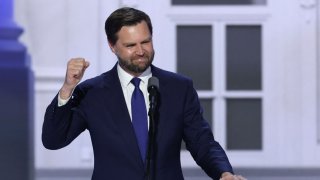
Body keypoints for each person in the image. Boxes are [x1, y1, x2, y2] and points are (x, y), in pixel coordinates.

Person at [42, 7, 246, 180]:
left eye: (145, 42)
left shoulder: (178, 88)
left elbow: (202, 141)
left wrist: (224, 173)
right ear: (112, 46)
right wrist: (67, 88)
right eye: (130, 45)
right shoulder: (92, 92)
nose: (141, 51)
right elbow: (53, 140)